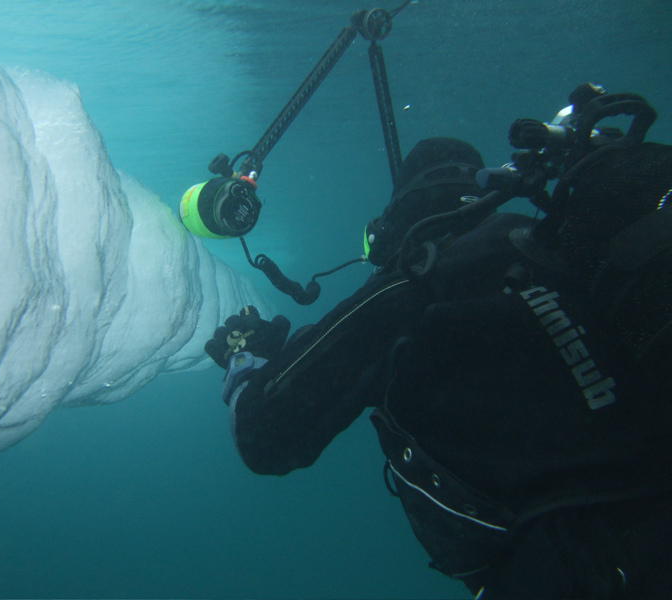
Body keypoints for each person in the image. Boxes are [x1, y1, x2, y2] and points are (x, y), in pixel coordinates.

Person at [205, 117, 672, 597]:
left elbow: (265, 439)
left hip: (578, 572)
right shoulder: (552, 246)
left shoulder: (414, 286)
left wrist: (246, 358)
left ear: (392, 223)